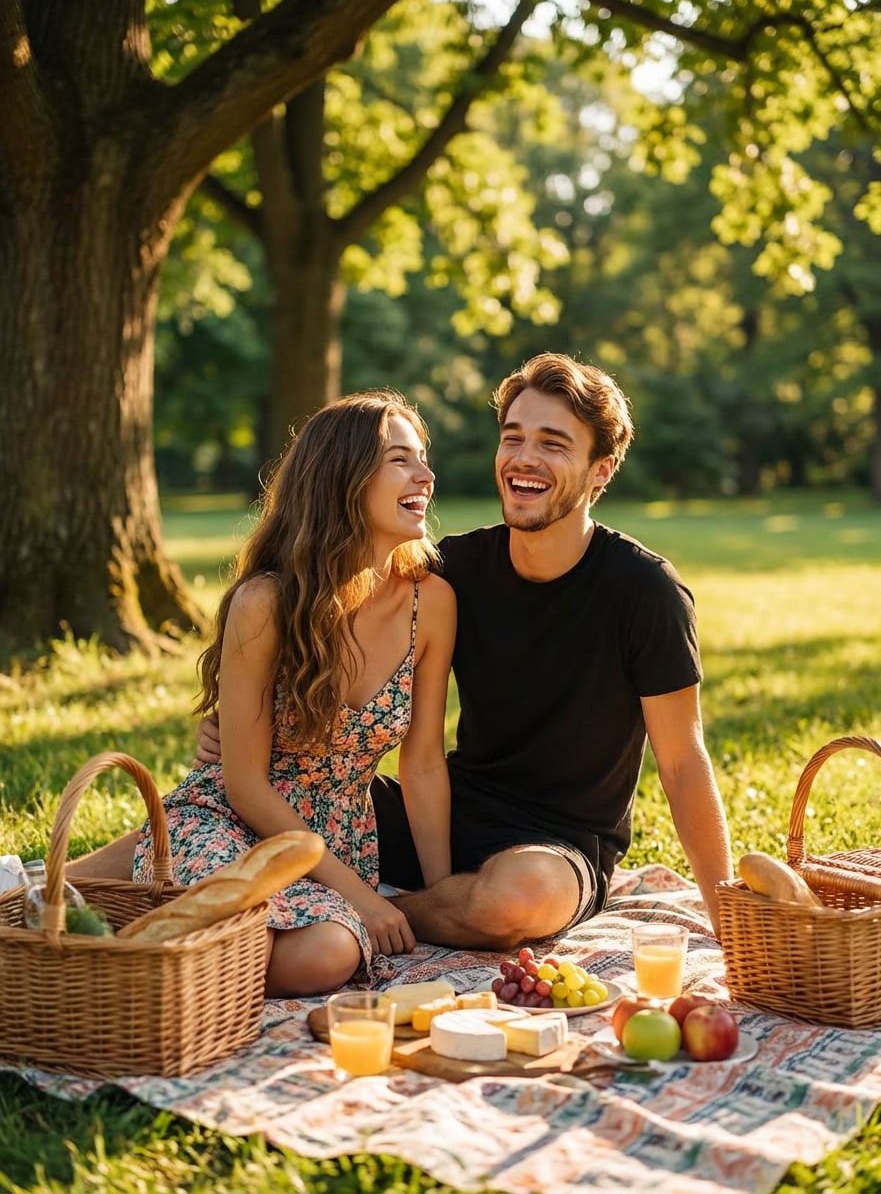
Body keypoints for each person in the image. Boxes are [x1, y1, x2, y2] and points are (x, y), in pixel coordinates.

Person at [195, 353, 734, 945]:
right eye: (514, 437)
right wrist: (242, 726)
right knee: (238, 801)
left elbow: (683, 766)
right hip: (451, 808)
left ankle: (367, 914)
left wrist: (729, 919)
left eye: (553, 443)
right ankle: (87, 897)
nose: (525, 458)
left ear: (601, 470)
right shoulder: (455, 569)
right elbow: (330, 609)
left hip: (559, 844)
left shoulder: (646, 592)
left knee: (513, 900)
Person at [122, 392, 456, 996]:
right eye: (400, 460)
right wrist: (364, 899)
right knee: (323, 948)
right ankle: (130, 965)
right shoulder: (265, 604)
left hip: (337, 844)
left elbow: (425, 763)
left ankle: (153, 956)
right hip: (229, 824)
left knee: (329, 948)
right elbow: (244, 784)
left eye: (424, 459)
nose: (425, 476)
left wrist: (442, 900)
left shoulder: (429, 601)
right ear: (342, 477)